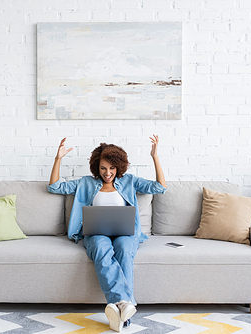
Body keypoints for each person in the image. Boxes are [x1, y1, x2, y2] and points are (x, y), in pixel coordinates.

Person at [48, 135, 166, 332]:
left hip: (125, 233)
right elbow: (54, 187)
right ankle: (125, 304)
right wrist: (57, 159)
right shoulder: (86, 182)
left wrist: (155, 157)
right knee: (102, 248)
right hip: (96, 233)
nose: (108, 173)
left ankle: (119, 309)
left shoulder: (129, 181)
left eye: (112, 168)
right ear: (96, 167)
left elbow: (160, 188)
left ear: (119, 166)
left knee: (124, 249)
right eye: (103, 168)